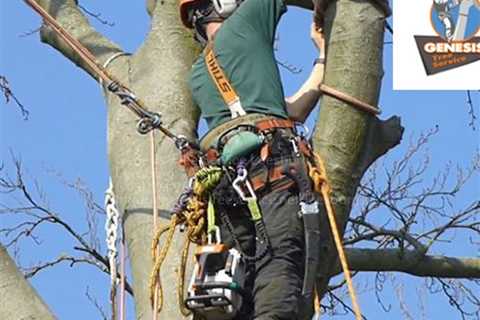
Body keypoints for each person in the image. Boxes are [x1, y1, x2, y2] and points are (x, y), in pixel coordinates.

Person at [178, 0, 326, 318]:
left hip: (226, 189)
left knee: (232, 290)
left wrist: (322, 55)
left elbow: (293, 112)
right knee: (278, 261)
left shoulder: (198, 73)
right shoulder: (246, 23)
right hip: (271, 170)